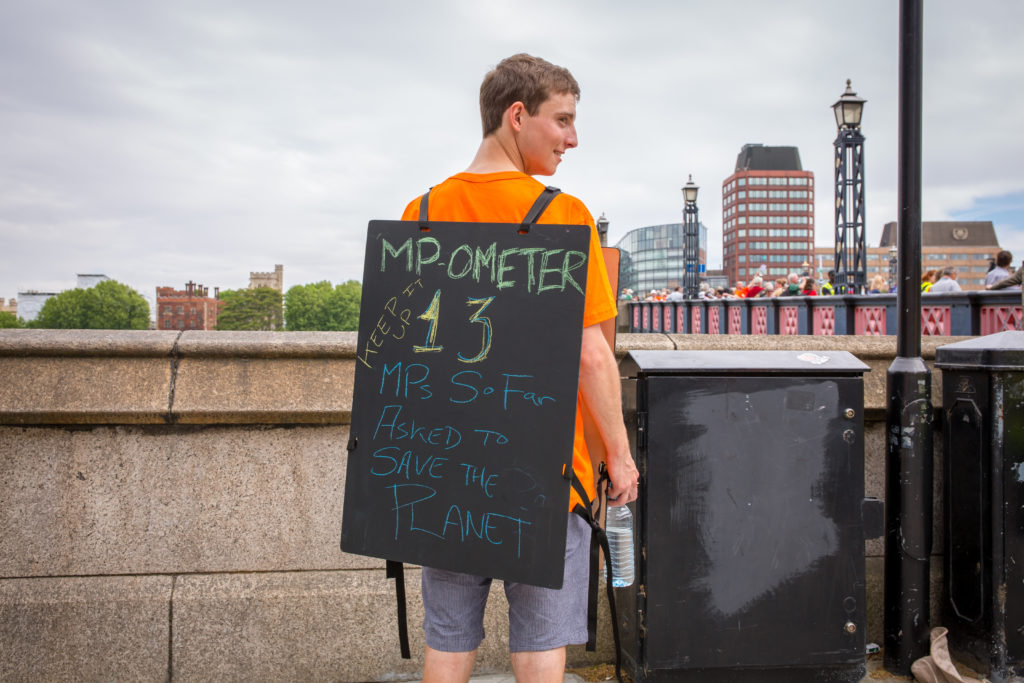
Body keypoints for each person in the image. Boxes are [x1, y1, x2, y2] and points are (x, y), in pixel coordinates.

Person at [400, 54, 639, 683]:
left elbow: (407, 352)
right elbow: (591, 354)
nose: (572, 138)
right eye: (561, 120)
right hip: (545, 471)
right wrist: (619, 454)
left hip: (444, 467)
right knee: (538, 643)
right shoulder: (563, 216)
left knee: (448, 641)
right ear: (517, 115)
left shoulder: (420, 214)